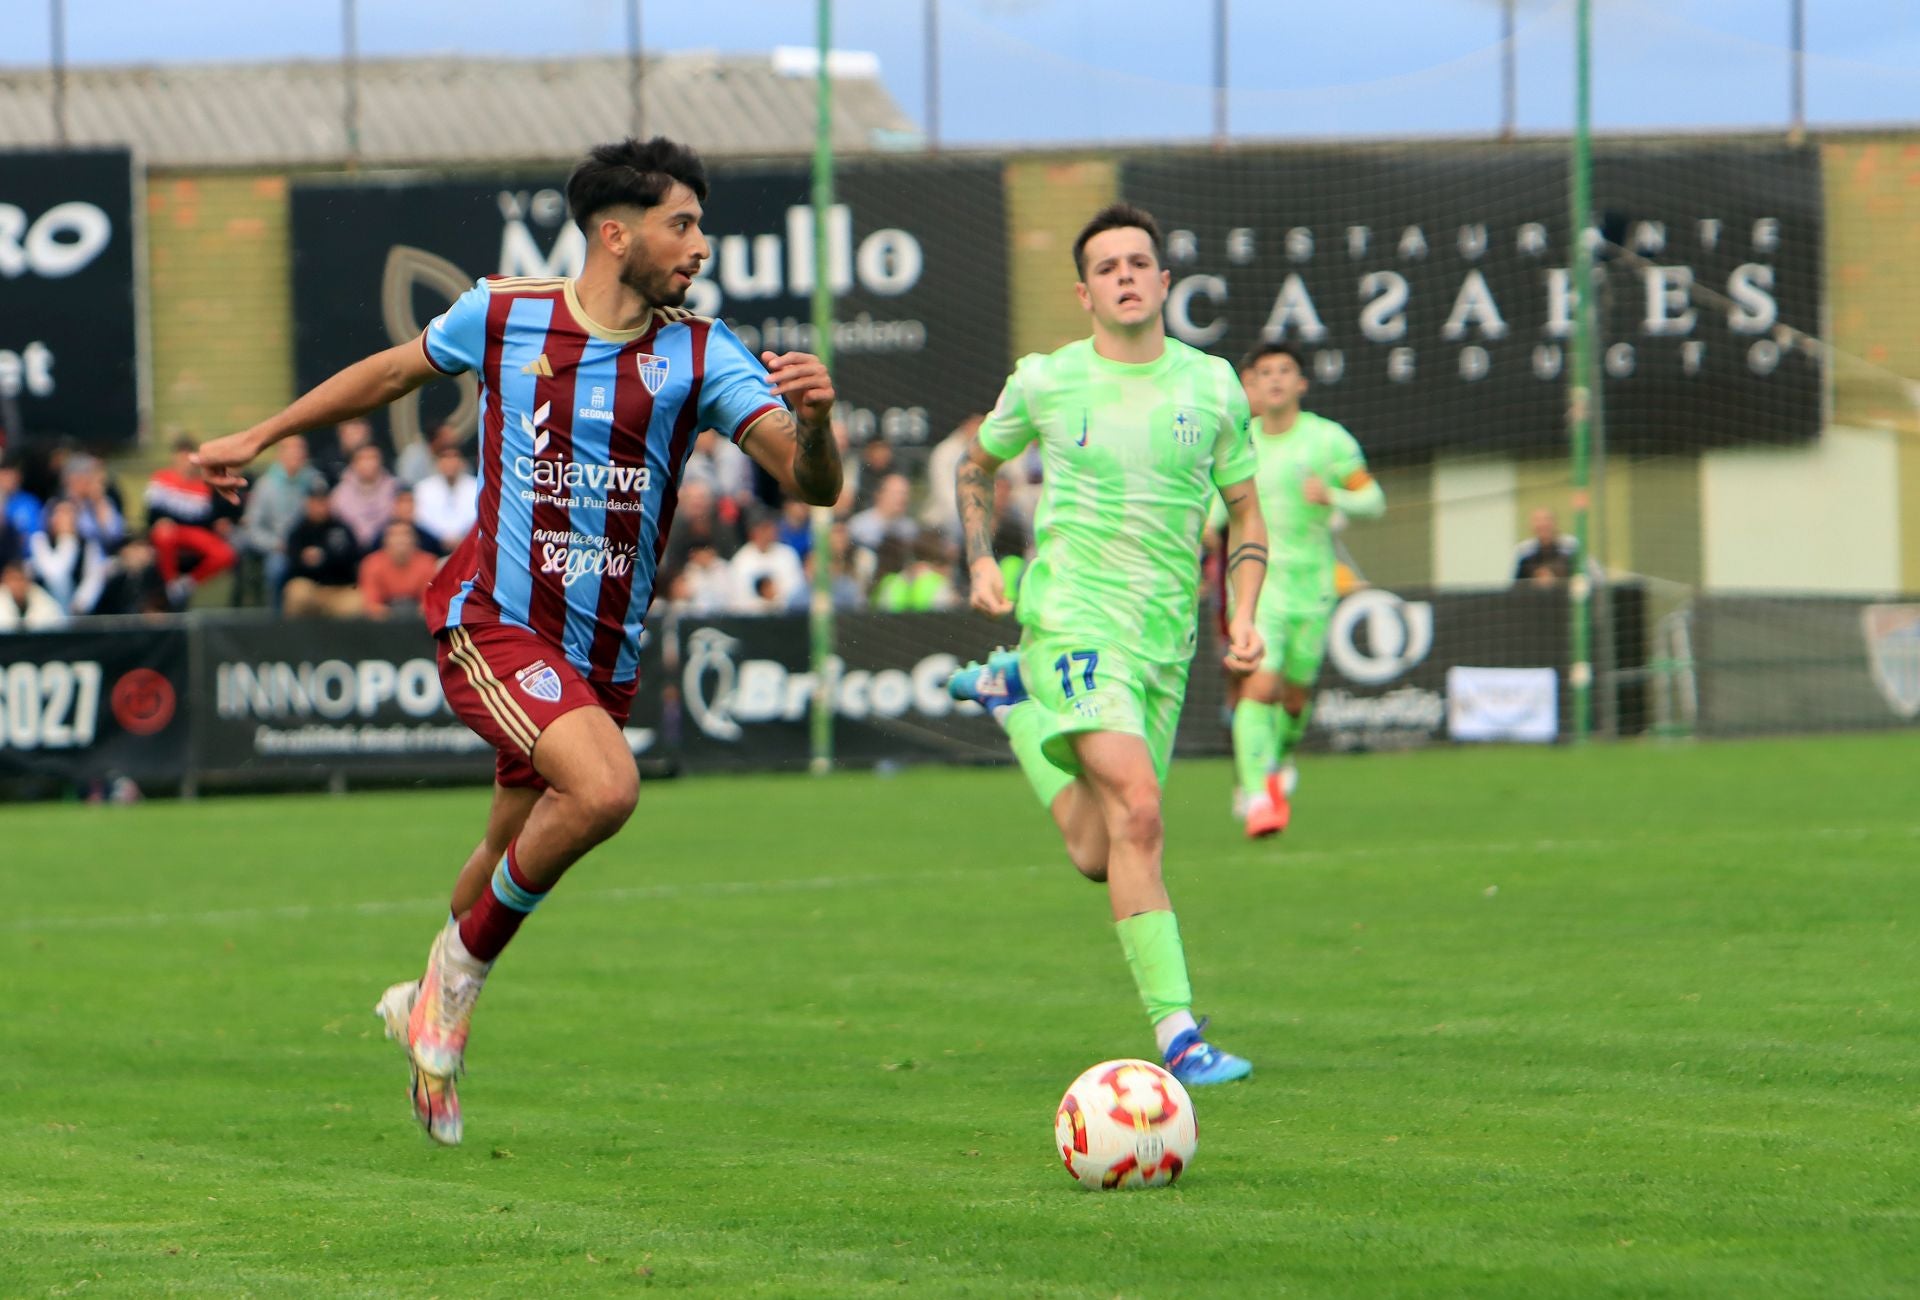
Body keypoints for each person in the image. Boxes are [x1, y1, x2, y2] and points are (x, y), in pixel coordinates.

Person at [193, 135, 843, 1147]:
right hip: (493, 621)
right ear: (614, 234)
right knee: (608, 789)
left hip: (601, 657)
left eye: (702, 226)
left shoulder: (703, 352)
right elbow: (388, 376)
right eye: (683, 224)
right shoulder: (505, 311)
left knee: (505, 848)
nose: (701, 246)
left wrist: (817, 423)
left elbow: (813, 484)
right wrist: (260, 436)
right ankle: (453, 990)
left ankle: (422, 992)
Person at [944, 203, 1267, 1088]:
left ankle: (1012, 708)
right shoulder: (1048, 381)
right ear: (1085, 292)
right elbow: (976, 463)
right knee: (1141, 810)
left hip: (1166, 642)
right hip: (1074, 623)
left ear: (1164, 283)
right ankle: (1180, 1036)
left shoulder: (1214, 388)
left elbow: (1245, 510)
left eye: (1140, 262)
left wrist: (1245, 613)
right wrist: (981, 560)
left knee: (1101, 849)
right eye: (1108, 266)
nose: (1126, 274)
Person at [1216, 342, 1385, 838]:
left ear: (1301, 384)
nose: (1274, 380)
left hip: (1312, 587)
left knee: (1293, 698)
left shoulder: (1327, 440)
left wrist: (1332, 495)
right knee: (1259, 686)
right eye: (1264, 371)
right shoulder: (1239, 441)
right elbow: (1216, 504)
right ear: (1252, 382)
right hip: (1256, 586)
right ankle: (1256, 797)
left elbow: (1373, 499)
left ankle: (1280, 755)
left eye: (1284, 371)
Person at [145, 436, 236, 608]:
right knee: (163, 533)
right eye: (181, 457)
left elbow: (209, 517)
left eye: (188, 458)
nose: (184, 462)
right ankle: (170, 583)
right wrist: (161, 521)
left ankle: (186, 584)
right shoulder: (161, 479)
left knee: (225, 554)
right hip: (170, 530)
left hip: (195, 533)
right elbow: (152, 513)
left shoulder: (204, 484)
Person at [237, 434, 326, 607]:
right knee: (276, 568)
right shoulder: (266, 485)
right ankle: (277, 622)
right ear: (280, 455)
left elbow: (327, 515)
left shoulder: (316, 481)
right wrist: (275, 544)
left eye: (300, 450)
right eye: (291, 451)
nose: (296, 455)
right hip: (281, 548)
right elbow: (252, 528)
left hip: (312, 545)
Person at [280, 485, 366, 618]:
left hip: (340, 589)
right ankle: (294, 638)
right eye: (315, 501)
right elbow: (292, 563)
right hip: (312, 588)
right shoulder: (298, 531)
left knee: (357, 602)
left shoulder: (342, 528)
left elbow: (352, 557)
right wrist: (305, 560)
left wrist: (324, 557)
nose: (319, 507)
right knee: (296, 592)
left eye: (323, 501)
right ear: (307, 503)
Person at [28, 498, 111, 615]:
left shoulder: (88, 545)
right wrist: (66, 540)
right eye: (59, 513)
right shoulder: (39, 541)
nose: (65, 519)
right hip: (43, 610)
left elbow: (93, 579)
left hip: (77, 613)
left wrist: (79, 605)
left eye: (69, 513)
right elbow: (54, 574)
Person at [727, 505, 805, 613]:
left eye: (770, 527)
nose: (768, 532)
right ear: (753, 532)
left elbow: (796, 591)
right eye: (763, 528)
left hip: (784, 618)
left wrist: (776, 601)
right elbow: (739, 601)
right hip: (751, 621)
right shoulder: (741, 560)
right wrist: (764, 605)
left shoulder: (787, 554)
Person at [359, 518, 440, 619]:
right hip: (382, 624)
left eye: (405, 534)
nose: (400, 540)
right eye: (394, 535)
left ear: (415, 540)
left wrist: (410, 614)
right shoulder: (371, 564)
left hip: (419, 623)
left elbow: (431, 604)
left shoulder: (428, 563)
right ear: (385, 541)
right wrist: (394, 615)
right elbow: (371, 604)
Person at [330, 442, 400, 552]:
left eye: (372, 458)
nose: (368, 463)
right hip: (353, 553)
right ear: (353, 463)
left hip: (389, 552)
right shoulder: (338, 495)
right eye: (362, 458)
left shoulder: (395, 488)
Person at [412, 442, 479, 551]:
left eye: (454, 457)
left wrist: (459, 536)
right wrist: (443, 537)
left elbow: (477, 516)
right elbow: (421, 518)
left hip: (469, 543)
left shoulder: (476, 485)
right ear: (438, 462)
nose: (450, 463)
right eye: (445, 458)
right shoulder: (423, 488)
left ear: (462, 462)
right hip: (433, 544)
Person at [1513, 507, 1599, 586]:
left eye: (1546, 520)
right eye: (1538, 521)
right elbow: (1516, 586)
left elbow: (1595, 577)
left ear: (1555, 523)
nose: (1543, 524)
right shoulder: (1525, 552)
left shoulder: (1571, 547)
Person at [0, 558, 65, 631]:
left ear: (28, 580)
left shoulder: (43, 600)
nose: (17, 585)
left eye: (20, 579)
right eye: (12, 580)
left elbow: (59, 627)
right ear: (5, 581)